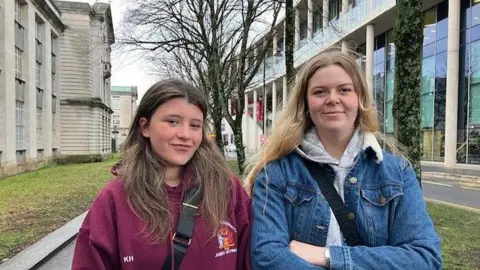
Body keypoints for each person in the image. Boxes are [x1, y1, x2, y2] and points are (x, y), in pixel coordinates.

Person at [245, 49, 442, 269]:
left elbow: (425, 258)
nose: (332, 99)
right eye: (320, 92)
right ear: (306, 104)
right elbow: (267, 257)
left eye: (344, 90)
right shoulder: (276, 173)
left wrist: (328, 255)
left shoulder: (397, 171)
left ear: (359, 99)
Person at [72, 79, 251, 269]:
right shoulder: (115, 200)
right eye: (172, 121)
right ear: (145, 127)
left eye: (195, 125)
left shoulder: (227, 189)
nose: (185, 134)